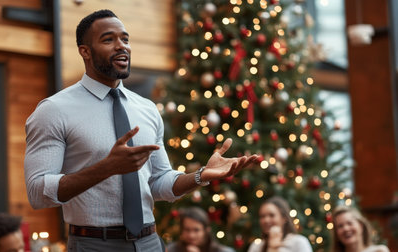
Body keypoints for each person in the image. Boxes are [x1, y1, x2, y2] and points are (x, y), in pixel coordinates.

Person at [24, 9, 258, 252]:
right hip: (93, 244)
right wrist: (107, 168)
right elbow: (37, 192)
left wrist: (200, 176)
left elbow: (158, 181)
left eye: (125, 39)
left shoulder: (147, 109)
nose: (121, 46)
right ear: (85, 51)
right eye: (108, 40)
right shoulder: (54, 110)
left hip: (149, 242)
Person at [247, 196, 312, 252]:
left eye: (271, 215)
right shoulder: (256, 246)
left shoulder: (299, 242)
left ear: (284, 218)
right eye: (262, 216)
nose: (266, 220)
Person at [166, 207, 235, 252]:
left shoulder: (224, 251)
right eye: (187, 230)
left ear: (206, 230)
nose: (191, 235)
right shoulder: (170, 249)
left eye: (196, 230)